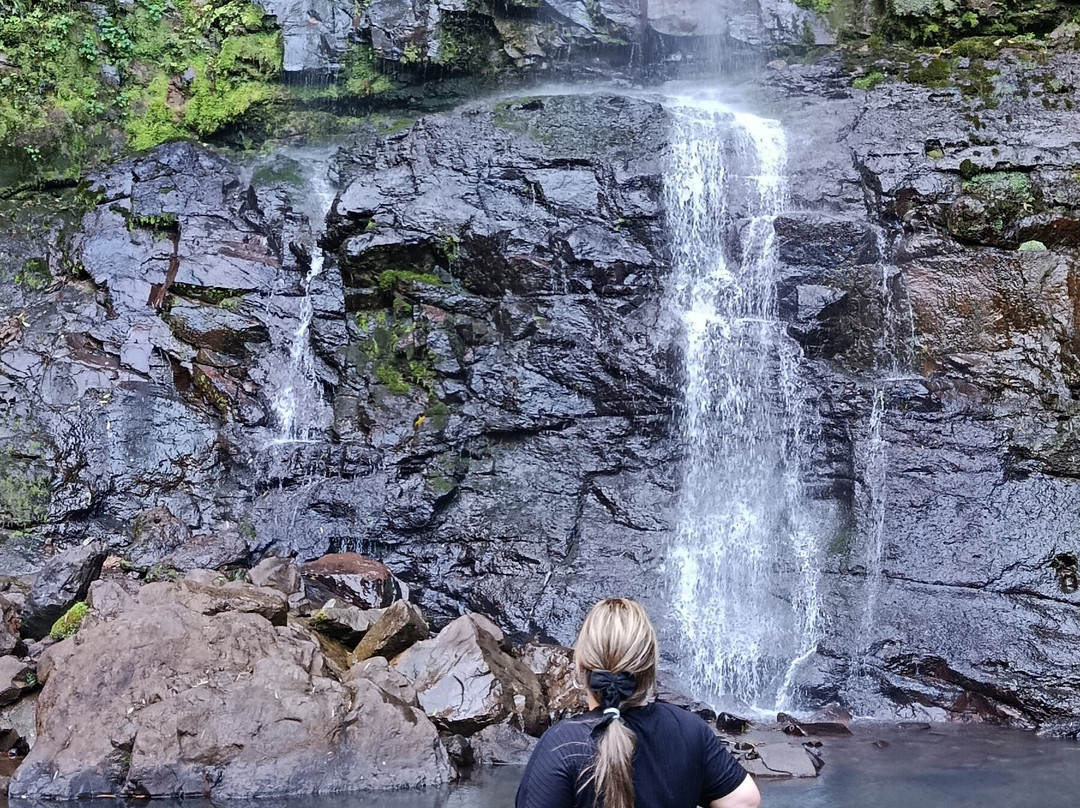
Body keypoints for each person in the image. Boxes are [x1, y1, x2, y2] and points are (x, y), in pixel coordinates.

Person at [515, 598, 761, 808]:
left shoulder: (562, 746)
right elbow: (745, 800)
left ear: (581, 666)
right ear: (650, 669)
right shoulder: (689, 731)